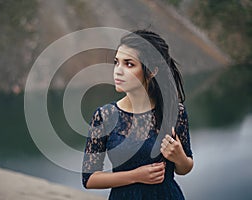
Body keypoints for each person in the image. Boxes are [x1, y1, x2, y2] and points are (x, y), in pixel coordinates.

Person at [82, 30, 193, 200]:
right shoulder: (104, 116)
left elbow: (184, 168)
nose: (118, 71)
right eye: (116, 62)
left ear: (151, 71)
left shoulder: (174, 110)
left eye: (129, 64)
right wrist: (135, 176)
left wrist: (179, 157)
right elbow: (89, 179)